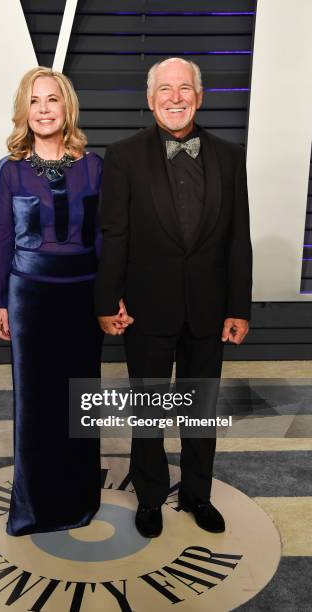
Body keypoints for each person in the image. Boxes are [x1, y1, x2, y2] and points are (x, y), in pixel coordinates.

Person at [95, 57, 252, 538]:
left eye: (185, 89)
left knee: (200, 406)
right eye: (166, 89)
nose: (176, 97)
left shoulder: (229, 155)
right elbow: (113, 234)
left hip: (210, 309)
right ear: (150, 98)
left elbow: (236, 237)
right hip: (146, 308)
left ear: (199, 98)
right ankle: (149, 497)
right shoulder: (122, 155)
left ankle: (197, 494)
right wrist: (107, 301)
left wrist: (238, 307)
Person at [0, 66, 105, 536]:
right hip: (29, 297)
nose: (43, 109)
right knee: (36, 404)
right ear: (24, 110)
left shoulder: (94, 165)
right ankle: (35, 508)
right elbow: (0, 238)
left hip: (83, 293)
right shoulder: (11, 169)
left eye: (52, 100)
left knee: (80, 399)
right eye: (34, 101)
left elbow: (104, 236)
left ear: (67, 107)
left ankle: (79, 499)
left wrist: (111, 298)